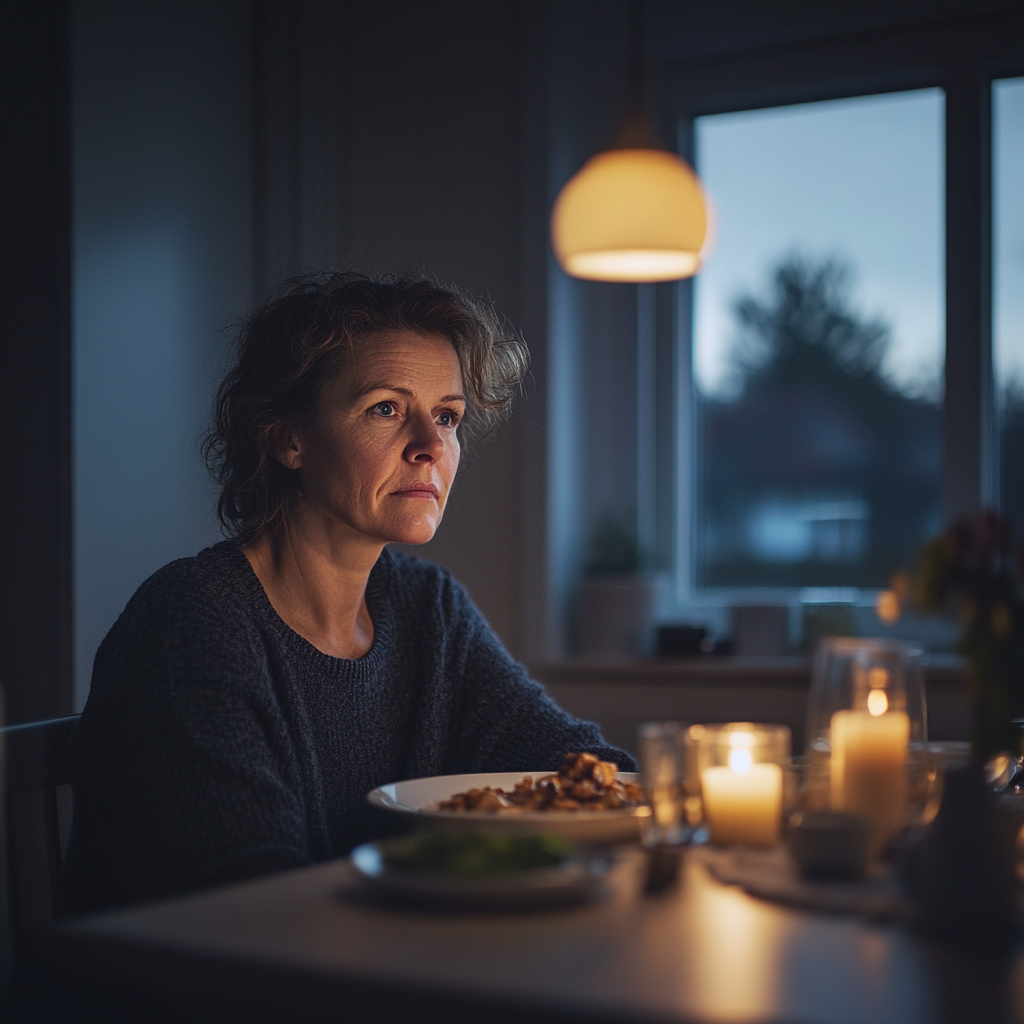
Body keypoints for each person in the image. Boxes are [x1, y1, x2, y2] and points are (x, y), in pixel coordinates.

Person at [61, 271, 636, 915]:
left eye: (446, 416)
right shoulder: (193, 620)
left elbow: (586, 770)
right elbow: (251, 909)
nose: (430, 446)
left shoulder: (429, 608)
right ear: (287, 438)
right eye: (386, 408)